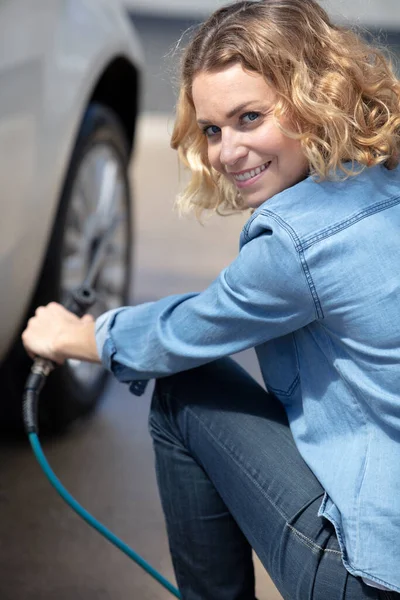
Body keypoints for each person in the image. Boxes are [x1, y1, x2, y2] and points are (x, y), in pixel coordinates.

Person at [22, 0, 400, 598]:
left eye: (250, 118)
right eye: (213, 129)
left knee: (184, 389)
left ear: (316, 96)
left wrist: (74, 335)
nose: (225, 152)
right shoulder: (387, 183)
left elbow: (187, 331)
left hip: (374, 576)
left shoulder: (300, 244)